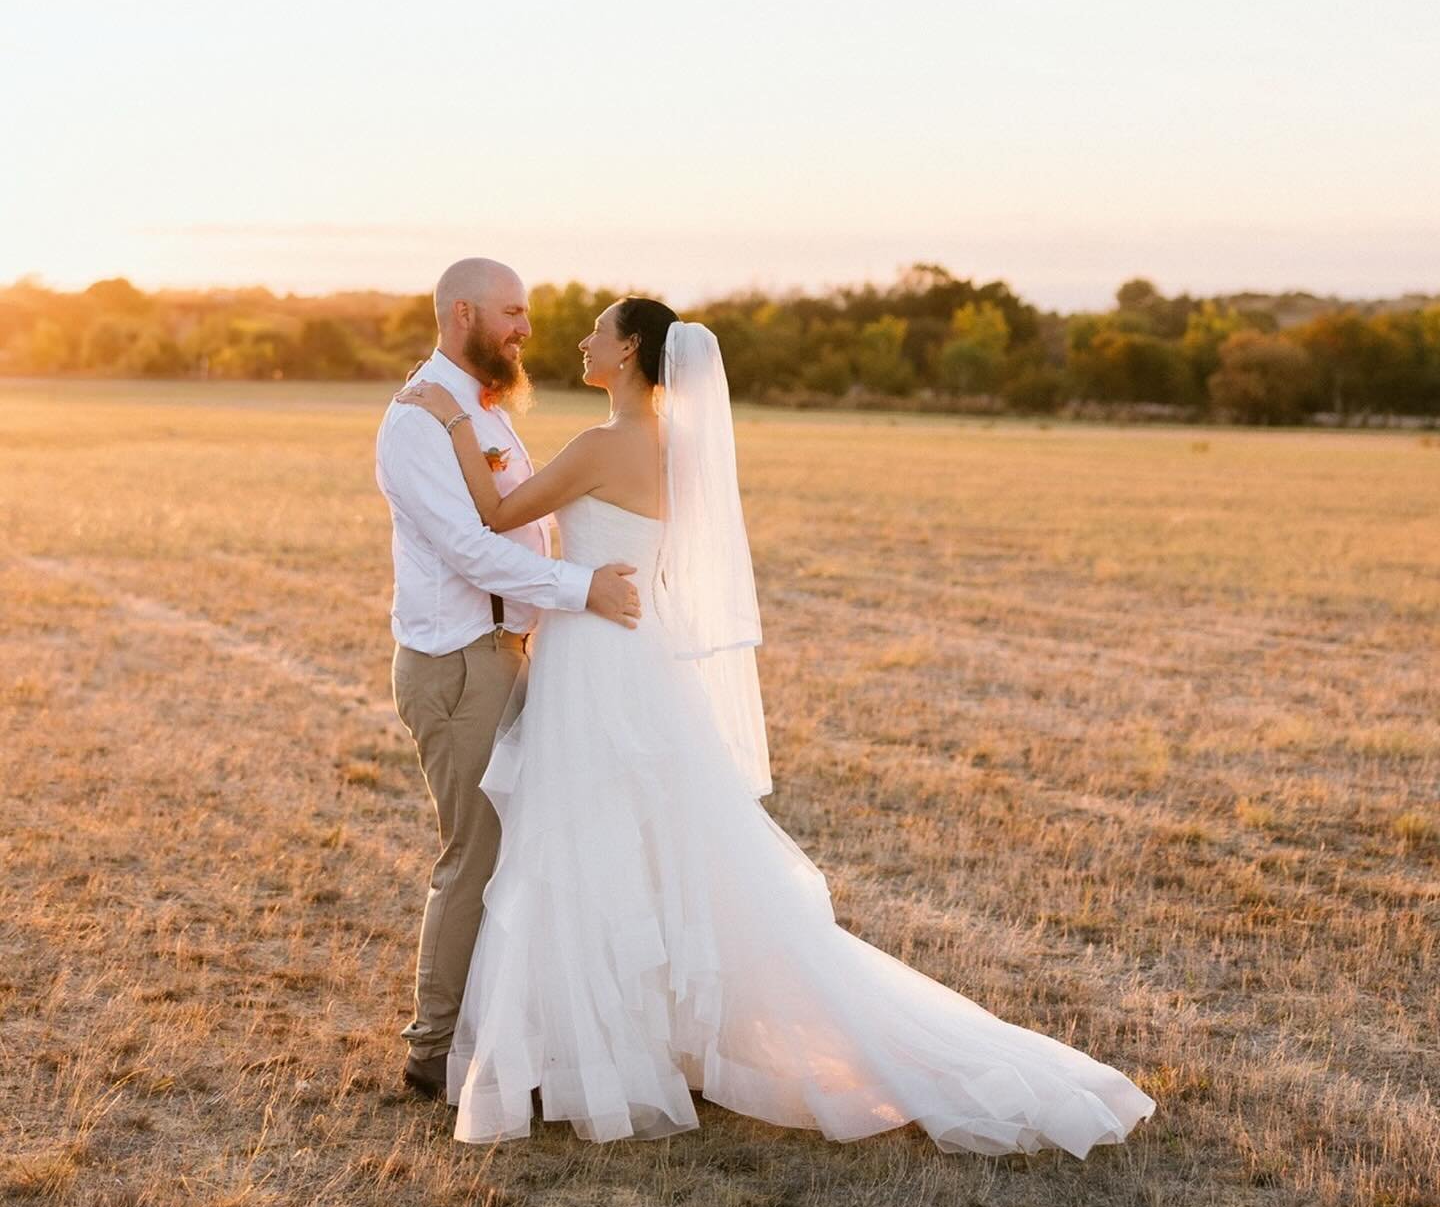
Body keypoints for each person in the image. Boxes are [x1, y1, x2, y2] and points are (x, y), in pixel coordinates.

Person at [392, 297, 1157, 1158]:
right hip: (637, 655)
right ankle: (621, 1042)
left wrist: (456, 421)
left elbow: (496, 517)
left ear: (630, 350)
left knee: (578, 844)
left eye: (597, 332)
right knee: (644, 846)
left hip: (593, 659)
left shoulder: (604, 445)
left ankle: (592, 1049)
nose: (581, 341)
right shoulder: (676, 448)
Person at [375, 258, 643, 1101]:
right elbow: (469, 547)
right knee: (476, 853)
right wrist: (583, 587)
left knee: (531, 846)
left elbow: (515, 521)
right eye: (514, 313)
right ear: (464, 313)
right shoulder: (420, 419)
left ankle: (512, 1029)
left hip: (507, 655)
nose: (528, 328)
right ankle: (434, 1048)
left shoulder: (479, 405)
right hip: (458, 667)